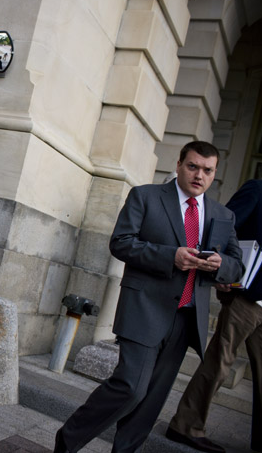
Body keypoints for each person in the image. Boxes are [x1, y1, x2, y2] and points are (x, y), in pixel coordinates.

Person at [54, 141, 245, 453]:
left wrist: (222, 265)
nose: (199, 175)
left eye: (207, 171)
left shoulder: (223, 215)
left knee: (151, 401)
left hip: (186, 317)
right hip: (144, 308)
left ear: (214, 174)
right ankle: (67, 441)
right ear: (180, 164)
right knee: (130, 387)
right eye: (193, 166)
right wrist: (170, 256)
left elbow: (237, 266)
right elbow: (121, 243)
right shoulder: (146, 196)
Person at [166, 177, 262, 453]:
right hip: (249, 293)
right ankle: (186, 425)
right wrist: (221, 269)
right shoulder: (260, 190)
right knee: (221, 359)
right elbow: (223, 227)